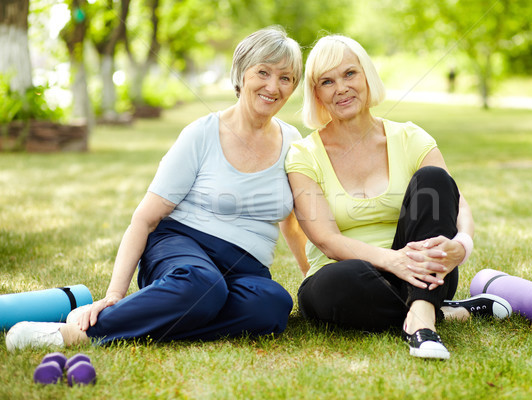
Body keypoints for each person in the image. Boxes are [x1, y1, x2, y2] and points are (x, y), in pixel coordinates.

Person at [6, 26, 309, 351]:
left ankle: (155, 314)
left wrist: (309, 276)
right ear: (241, 74)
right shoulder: (201, 134)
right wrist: (114, 295)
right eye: (263, 72)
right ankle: (75, 333)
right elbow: (145, 218)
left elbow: (292, 221)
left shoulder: (292, 142)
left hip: (246, 265)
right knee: (203, 285)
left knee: (272, 305)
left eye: (285, 78)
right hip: (181, 246)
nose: (273, 86)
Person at [285, 35, 511, 360]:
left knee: (434, 179)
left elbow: (456, 202)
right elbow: (326, 240)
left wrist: (461, 246)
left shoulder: (410, 137)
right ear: (316, 93)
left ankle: (420, 316)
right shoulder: (304, 154)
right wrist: (395, 261)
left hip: (424, 266)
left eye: (350, 74)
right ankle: (438, 312)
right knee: (328, 288)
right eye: (327, 81)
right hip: (350, 274)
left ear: (366, 76)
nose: (341, 88)